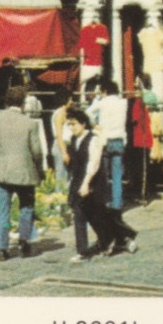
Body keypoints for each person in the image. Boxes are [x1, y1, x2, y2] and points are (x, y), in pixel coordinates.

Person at [64, 105, 137, 262]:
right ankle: (83, 251)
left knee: (100, 216)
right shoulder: (73, 139)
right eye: (69, 124)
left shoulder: (93, 140)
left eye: (74, 123)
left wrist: (86, 183)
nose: (71, 127)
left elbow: (94, 163)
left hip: (93, 184)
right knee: (79, 216)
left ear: (83, 124)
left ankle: (123, 237)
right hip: (78, 182)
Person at [0, 85, 45, 260]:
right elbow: (37, 151)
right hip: (25, 172)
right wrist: (39, 170)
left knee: (2, 210)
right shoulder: (30, 123)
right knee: (26, 207)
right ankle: (24, 241)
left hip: (1, 172)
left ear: (6, 102)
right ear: (22, 104)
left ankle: (1, 248)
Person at [91, 79, 129, 210]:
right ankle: (117, 203)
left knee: (103, 174)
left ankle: (104, 200)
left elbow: (88, 113)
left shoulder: (101, 103)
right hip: (118, 140)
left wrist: (95, 125)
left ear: (104, 91)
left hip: (105, 140)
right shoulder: (123, 103)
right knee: (117, 174)